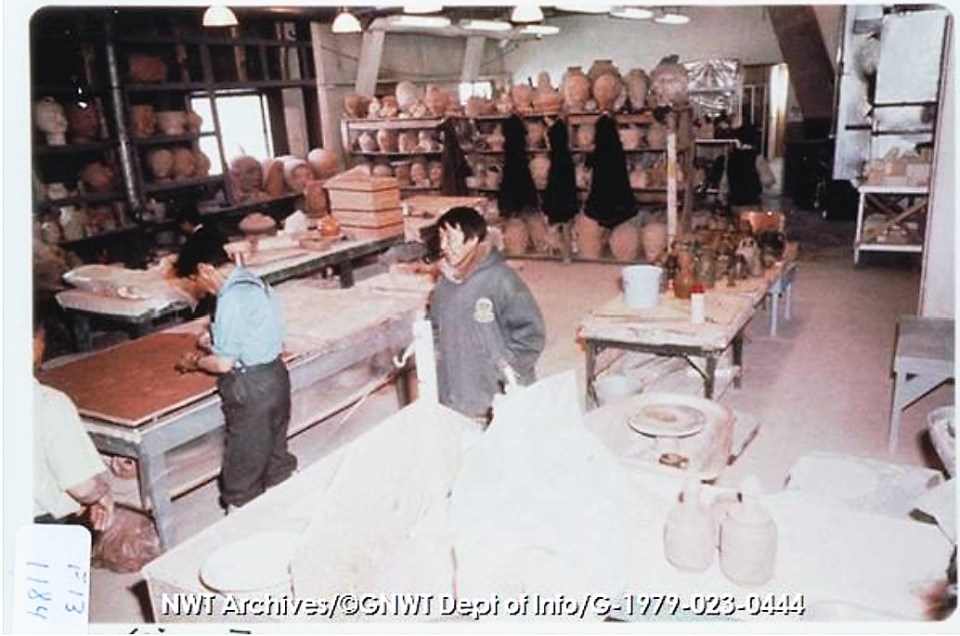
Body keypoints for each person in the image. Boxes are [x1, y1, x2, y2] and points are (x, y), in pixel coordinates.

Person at [172, 240, 296, 512]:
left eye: (196, 280)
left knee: (242, 472)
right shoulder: (255, 282)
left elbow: (224, 364)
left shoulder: (230, 297)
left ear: (205, 269)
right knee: (276, 458)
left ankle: (243, 529)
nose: (201, 289)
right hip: (276, 378)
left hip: (250, 388)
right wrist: (215, 339)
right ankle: (288, 513)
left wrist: (195, 361)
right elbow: (256, 332)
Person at [428, 206, 546, 423]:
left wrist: (506, 365)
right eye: (441, 238)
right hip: (456, 386)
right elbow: (434, 325)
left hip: (494, 387)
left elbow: (531, 334)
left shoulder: (501, 279)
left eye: (451, 238)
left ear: (472, 240)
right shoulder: (445, 282)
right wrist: (437, 355)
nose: (444, 246)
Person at [33, 310, 114, 530]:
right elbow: (82, 487)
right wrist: (102, 492)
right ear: (33, 345)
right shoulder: (47, 404)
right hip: (36, 528)